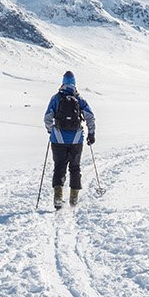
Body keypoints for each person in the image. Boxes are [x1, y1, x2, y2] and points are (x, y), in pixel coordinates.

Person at [43, 70, 96, 209]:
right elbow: (90, 116)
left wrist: (51, 130)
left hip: (58, 139)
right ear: (74, 83)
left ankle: (58, 197)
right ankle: (73, 199)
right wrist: (91, 133)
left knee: (59, 166)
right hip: (76, 139)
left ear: (63, 82)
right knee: (75, 167)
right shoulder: (79, 99)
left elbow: (47, 118)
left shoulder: (56, 98)